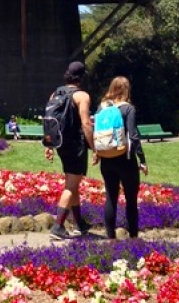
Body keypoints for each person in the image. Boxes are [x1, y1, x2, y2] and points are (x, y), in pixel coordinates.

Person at [92, 76, 148, 240]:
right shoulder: (128, 108)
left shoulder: (101, 108)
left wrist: (96, 153)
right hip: (125, 159)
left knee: (111, 197)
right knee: (131, 200)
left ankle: (110, 238)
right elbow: (134, 135)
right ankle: (133, 237)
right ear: (126, 90)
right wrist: (142, 160)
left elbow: (96, 132)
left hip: (106, 159)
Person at [45, 61, 94, 240]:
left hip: (61, 145)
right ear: (82, 77)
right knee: (71, 186)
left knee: (73, 183)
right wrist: (94, 147)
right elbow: (86, 124)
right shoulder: (82, 96)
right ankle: (58, 226)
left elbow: (50, 121)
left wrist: (49, 145)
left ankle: (79, 223)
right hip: (75, 145)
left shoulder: (55, 93)